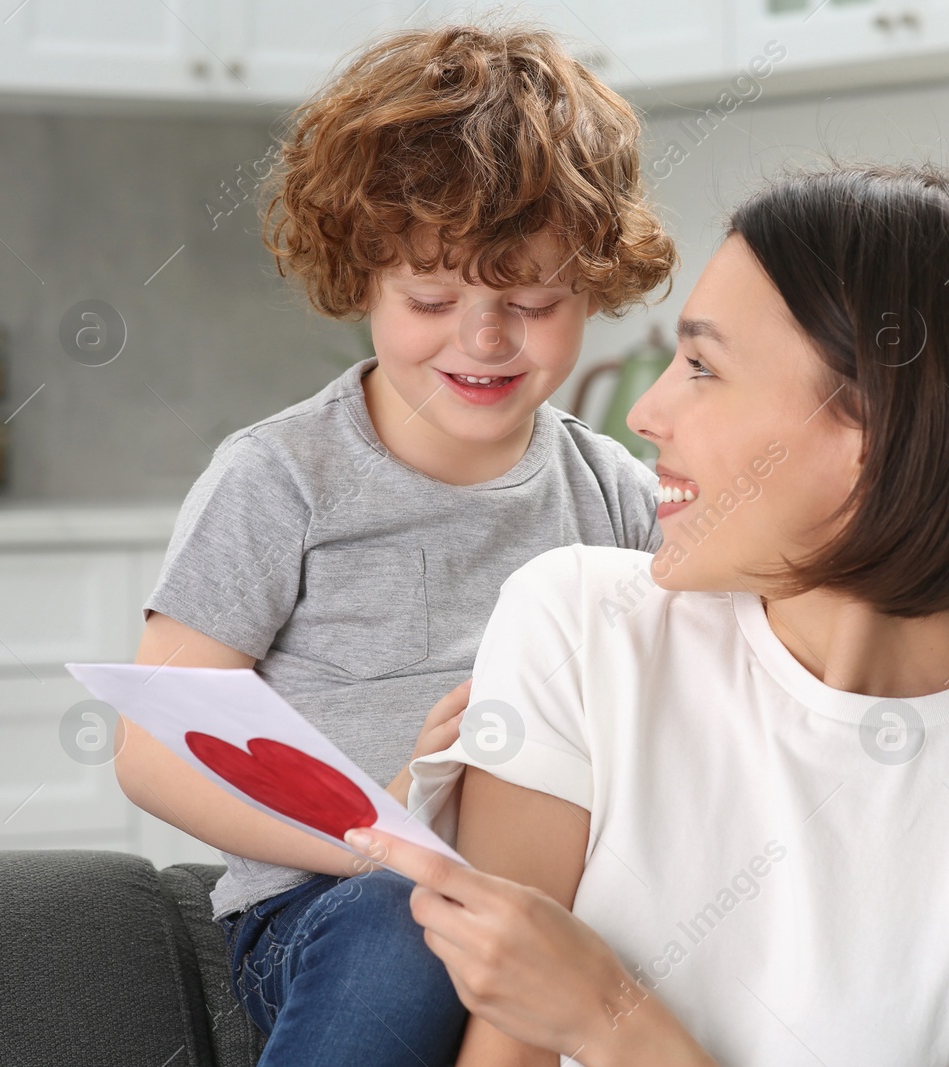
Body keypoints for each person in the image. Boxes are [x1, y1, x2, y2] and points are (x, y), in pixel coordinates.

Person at [376, 162, 949, 1067]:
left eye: (701, 366)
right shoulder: (581, 625)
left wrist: (614, 1022)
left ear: (875, 429)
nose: (648, 413)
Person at [112, 24, 675, 1067]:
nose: (486, 337)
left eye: (533, 301)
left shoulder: (615, 493)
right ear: (360, 279)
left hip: (550, 911)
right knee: (402, 926)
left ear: (593, 287)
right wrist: (381, 836)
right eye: (431, 300)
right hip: (334, 906)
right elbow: (153, 749)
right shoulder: (279, 477)